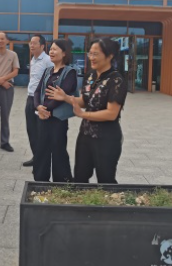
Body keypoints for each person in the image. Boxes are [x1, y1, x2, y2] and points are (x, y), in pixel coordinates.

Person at [47, 37, 127, 184]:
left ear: (109, 56)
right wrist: (65, 97)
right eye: (90, 53)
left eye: (96, 54)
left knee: (106, 180)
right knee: (80, 177)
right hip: (85, 135)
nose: (91, 57)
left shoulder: (116, 80)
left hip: (107, 138)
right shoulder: (90, 75)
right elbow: (85, 101)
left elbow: (111, 113)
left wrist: (84, 114)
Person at [33, 39, 76, 182]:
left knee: (58, 150)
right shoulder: (48, 71)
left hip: (58, 119)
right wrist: (38, 107)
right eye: (50, 49)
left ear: (64, 53)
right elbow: (37, 91)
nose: (51, 52)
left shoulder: (70, 72)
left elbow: (62, 95)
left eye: (55, 49)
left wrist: (46, 109)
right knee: (41, 150)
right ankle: (40, 180)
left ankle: (62, 182)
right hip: (43, 117)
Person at [23, 35, 53, 167]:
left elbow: (52, 80)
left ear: (42, 46)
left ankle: (43, 159)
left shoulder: (48, 60)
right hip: (30, 98)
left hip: (41, 100)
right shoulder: (33, 60)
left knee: (41, 131)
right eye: (30, 43)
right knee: (31, 130)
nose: (31, 45)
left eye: (34, 43)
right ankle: (36, 157)